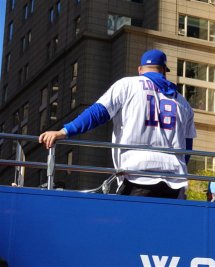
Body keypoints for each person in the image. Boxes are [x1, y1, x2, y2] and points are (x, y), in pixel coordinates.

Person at [39, 49, 197, 199]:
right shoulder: (183, 103)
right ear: (163, 70)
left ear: (140, 69)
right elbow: (187, 148)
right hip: (174, 179)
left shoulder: (128, 85)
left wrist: (64, 132)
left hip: (137, 172)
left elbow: (98, 113)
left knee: (132, 226)